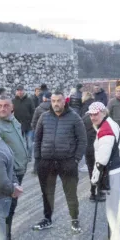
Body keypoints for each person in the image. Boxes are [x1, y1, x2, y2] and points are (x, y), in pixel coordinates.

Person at [33, 90, 87, 232]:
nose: (56, 103)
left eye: (59, 101)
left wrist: (76, 159)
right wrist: (38, 160)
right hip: (47, 161)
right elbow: (37, 139)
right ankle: (47, 219)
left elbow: (82, 140)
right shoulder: (44, 117)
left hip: (67, 162)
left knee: (71, 192)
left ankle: (74, 219)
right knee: (47, 192)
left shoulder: (75, 118)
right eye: (53, 101)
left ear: (65, 101)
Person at [0, 96, 31, 240]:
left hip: (18, 171)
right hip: (8, 174)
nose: (2, 108)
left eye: (6, 105)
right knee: (2, 211)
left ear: (11, 107)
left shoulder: (12, 120)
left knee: (11, 209)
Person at [88, 102, 120, 240]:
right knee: (118, 209)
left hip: (114, 173)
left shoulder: (105, 130)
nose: (93, 117)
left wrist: (95, 177)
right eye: (91, 114)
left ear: (104, 113)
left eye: (96, 114)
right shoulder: (110, 124)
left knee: (113, 211)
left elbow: (102, 159)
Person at [13, 86, 36, 151]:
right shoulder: (13, 101)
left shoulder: (29, 100)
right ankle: (22, 158)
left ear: (24, 91)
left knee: (29, 144)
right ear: (16, 92)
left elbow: (33, 112)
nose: (20, 92)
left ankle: (29, 158)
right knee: (19, 143)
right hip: (17, 126)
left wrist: (32, 122)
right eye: (18, 90)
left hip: (28, 125)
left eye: (21, 90)